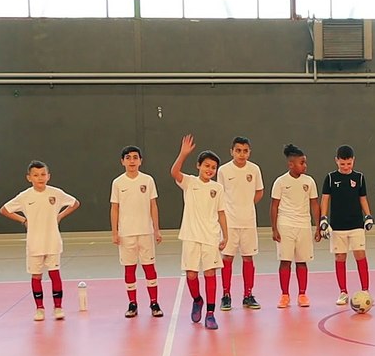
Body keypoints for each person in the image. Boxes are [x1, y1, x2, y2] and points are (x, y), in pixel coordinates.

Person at [0, 160, 81, 321]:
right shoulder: (24, 196)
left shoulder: (56, 193)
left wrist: (60, 216)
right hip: (34, 243)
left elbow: (75, 203)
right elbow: (4, 210)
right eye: (36, 175)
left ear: (48, 176)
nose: (40, 178)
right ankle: (39, 308)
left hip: (52, 242)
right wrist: (23, 220)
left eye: (43, 174)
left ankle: (58, 307)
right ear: (29, 178)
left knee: (55, 274)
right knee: (36, 276)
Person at [170, 135, 228, 330]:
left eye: (213, 167)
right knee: (192, 275)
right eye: (206, 166)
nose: (210, 170)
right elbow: (174, 172)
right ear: (198, 166)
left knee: (210, 273)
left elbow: (221, 213)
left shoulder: (217, 188)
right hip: (190, 236)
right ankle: (197, 300)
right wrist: (183, 153)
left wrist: (225, 235)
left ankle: (210, 313)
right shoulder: (190, 182)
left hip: (211, 236)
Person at [110, 146, 163, 318]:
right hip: (126, 234)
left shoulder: (148, 180)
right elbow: (114, 208)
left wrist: (156, 230)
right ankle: (132, 304)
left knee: (149, 268)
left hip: (146, 232)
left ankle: (154, 303)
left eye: (135, 157)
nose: (131, 161)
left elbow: (153, 206)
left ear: (140, 161)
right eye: (128, 157)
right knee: (129, 269)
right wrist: (115, 232)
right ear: (122, 161)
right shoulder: (118, 183)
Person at [320, 145, 374, 305]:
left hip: (356, 224)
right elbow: (325, 199)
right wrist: (323, 218)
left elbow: (362, 198)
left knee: (360, 254)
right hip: (337, 226)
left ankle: (365, 290)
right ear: (336, 161)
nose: (346, 167)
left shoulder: (359, 177)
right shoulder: (330, 178)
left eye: (349, 163)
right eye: (342, 164)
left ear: (353, 161)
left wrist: (368, 215)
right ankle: (343, 292)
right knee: (340, 257)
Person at [270, 144, 321, 309]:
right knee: (285, 261)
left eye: (305, 162)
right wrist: (274, 228)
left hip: (303, 225)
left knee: (302, 261)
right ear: (291, 164)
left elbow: (314, 204)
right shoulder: (280, 182)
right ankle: (284, 295)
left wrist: (318, 226)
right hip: (285, 225)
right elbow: (274, 206)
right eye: (302, 162)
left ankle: (302, 294)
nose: (305, 165)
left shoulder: (309, 182)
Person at [218, 136, 263, 311]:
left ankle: (248, 295)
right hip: (229, 223)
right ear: (232, 151)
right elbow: (219, 194)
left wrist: (247, 205)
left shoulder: (254, 169)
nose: (241, 154)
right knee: (227, 258)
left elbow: (259, 192)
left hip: (248, 222)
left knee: (248, 257)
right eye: (238, 150)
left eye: (245, 151)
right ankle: (226, 295)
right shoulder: (223, 170)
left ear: (249, 152)